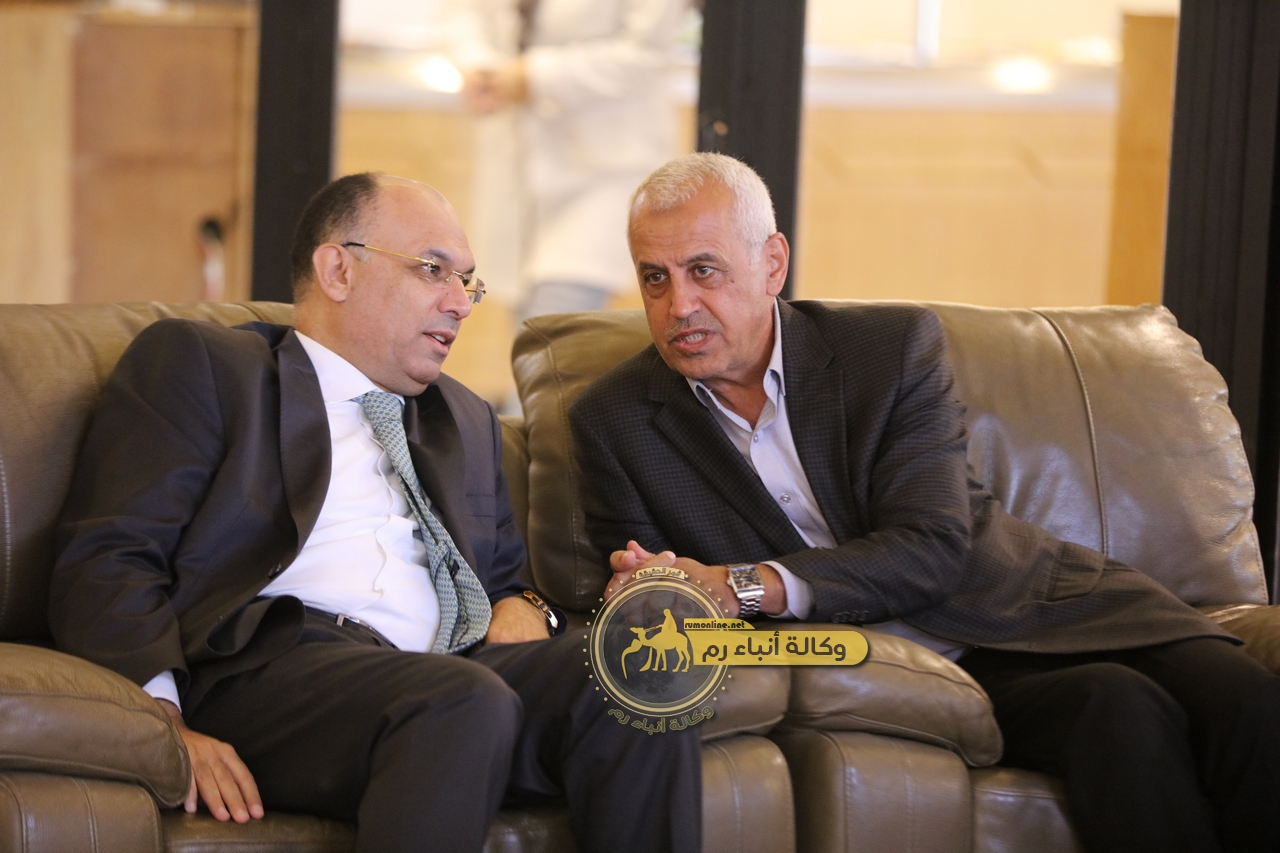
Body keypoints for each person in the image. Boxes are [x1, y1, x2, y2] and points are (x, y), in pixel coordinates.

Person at [568, 152, 1280, 853]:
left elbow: (932, 547)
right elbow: (651, 604)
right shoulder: (613, 420)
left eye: (703, 270)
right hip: (913, 675)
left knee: (1245, 699)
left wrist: (744, 584)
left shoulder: (886, 349)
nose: (678, 306)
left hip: (1021, 602)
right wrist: (649, 595)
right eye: (654, 278)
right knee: (1120, 711)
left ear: (772, 264)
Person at [49, 173, 699, 853]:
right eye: (433, 270)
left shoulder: (466, 418)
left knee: (640, 673)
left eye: (467, 282)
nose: (461, 303)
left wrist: (528, 607)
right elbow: (109, 554)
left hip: (445, 674)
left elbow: (508, 584)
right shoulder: (211, 366)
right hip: (269, 670)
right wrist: (163, 720)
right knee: (460, 699)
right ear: (338, 270)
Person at [440, 0, 684, 323]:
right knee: (527, 321)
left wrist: (533, 76)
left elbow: (647, 52)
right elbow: (461, 11)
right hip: (519, 162)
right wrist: (479, 64)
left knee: (552, 317)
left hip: (605, 168)